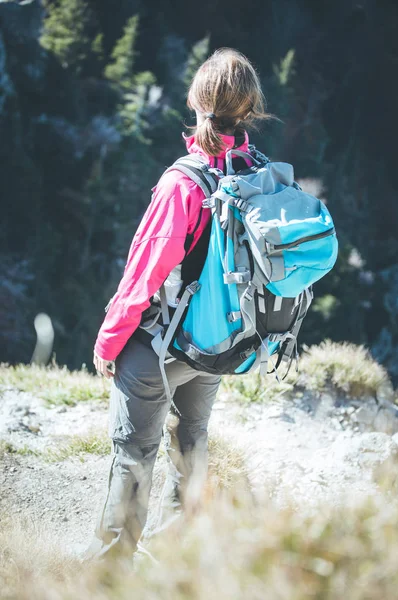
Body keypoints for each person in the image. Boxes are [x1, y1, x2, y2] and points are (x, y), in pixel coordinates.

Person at [87, 47, 271, 560]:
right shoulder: (256, 171)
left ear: (195, 102)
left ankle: (110, 569)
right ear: (249, 106)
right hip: (218, 339)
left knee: (133, 452)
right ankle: (174, 561)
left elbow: (142, 276)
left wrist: (108, 343)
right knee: (191, 441)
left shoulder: (182, 183)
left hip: (160, 345)